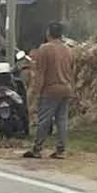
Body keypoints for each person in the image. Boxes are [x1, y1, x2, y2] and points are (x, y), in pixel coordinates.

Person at [23, 22, 75, 159]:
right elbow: (71, 71)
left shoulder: (44, 49)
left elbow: (40, 74)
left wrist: (34, 92)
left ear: (48, 33)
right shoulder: (68, 50)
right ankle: (61, 150)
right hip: (66, 89)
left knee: (44, 120)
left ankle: (37, 148)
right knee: (62, 121)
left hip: (50, 90)